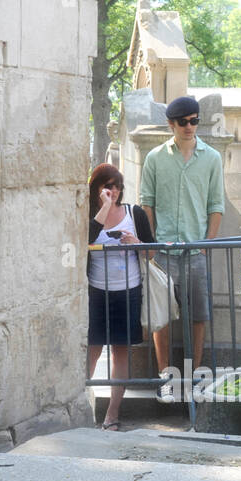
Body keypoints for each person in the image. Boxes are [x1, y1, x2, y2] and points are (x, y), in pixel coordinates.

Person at [139, 95, 225, 373]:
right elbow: (147, 203)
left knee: (198, 315)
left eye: (194, 121)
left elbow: (216, 206)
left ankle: (194, 374)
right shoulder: (154, 158)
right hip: (163, 251)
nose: (189, 126)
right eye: (183, 122)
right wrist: (152, 245)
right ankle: (165, 374)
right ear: (171, 124)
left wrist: (205, 244)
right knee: (161, 316)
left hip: (195, 251)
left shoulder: (212, 159)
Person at [87, 163, 154, 430]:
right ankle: (81, 407)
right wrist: (103, 208)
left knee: (120, 353)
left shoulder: (134, 213)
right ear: (96, 188)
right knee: (92, 350)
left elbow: (151, 252)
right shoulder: (91, 214)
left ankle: (112, 415)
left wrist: (136, 244)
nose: (112, 191)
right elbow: (85, 239)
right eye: (107, 186)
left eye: (116, 186)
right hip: (96, 291)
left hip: (128, 291)